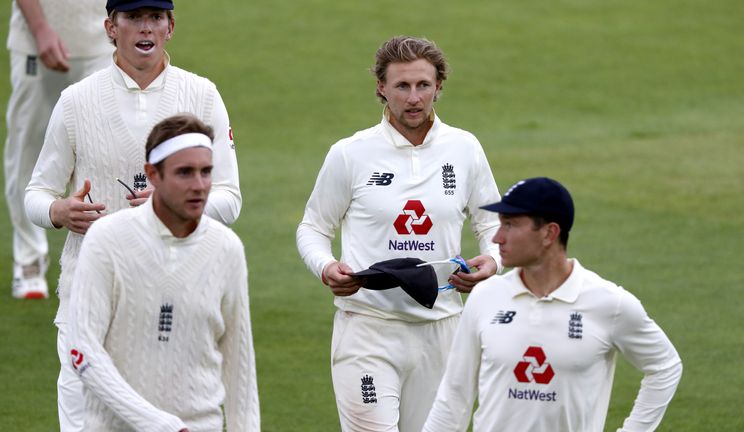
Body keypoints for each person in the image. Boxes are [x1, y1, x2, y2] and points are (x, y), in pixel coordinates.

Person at [24, 0, 241, 430]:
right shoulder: (75, 101)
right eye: (134, 18)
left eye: (155, 18)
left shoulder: (201, 95)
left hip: (175, 304)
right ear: (111, 27)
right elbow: (37, 192)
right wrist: (59, 210)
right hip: (88, 299)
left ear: (170, 27)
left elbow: (229, 198)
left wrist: (172, 210)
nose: (146, 28)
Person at [296, 36, 502, 431]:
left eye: (423, 85)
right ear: (381, 88)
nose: (413, 98)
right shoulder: (350, 153)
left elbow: (491, 222)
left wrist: (491, 260)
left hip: (443, 330)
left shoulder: (465, 149)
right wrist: (325, 267)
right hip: (368, 329)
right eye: (402, 86)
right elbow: (313, 227)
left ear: (439, 86)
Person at [422, 177, 683, 432]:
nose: (498, 237)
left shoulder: (609, 303)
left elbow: (665, 367)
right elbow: (454, 396)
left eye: (511, 225)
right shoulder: (485, 297)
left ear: (549, 233)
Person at [68, 113, 259, 431]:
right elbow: (82, 349)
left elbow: (240, 364)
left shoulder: (227, 248)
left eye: (206, 172)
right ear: (152, 175)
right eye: (184, 173)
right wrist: (159, 423)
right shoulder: (107, 240)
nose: (199, 186)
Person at [5, 0, 112, 299]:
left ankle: (102, 254)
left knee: (104, 148)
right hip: (35, 42)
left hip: (103, 39)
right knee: (28, 146)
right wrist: (39, 29)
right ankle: (28, 259)